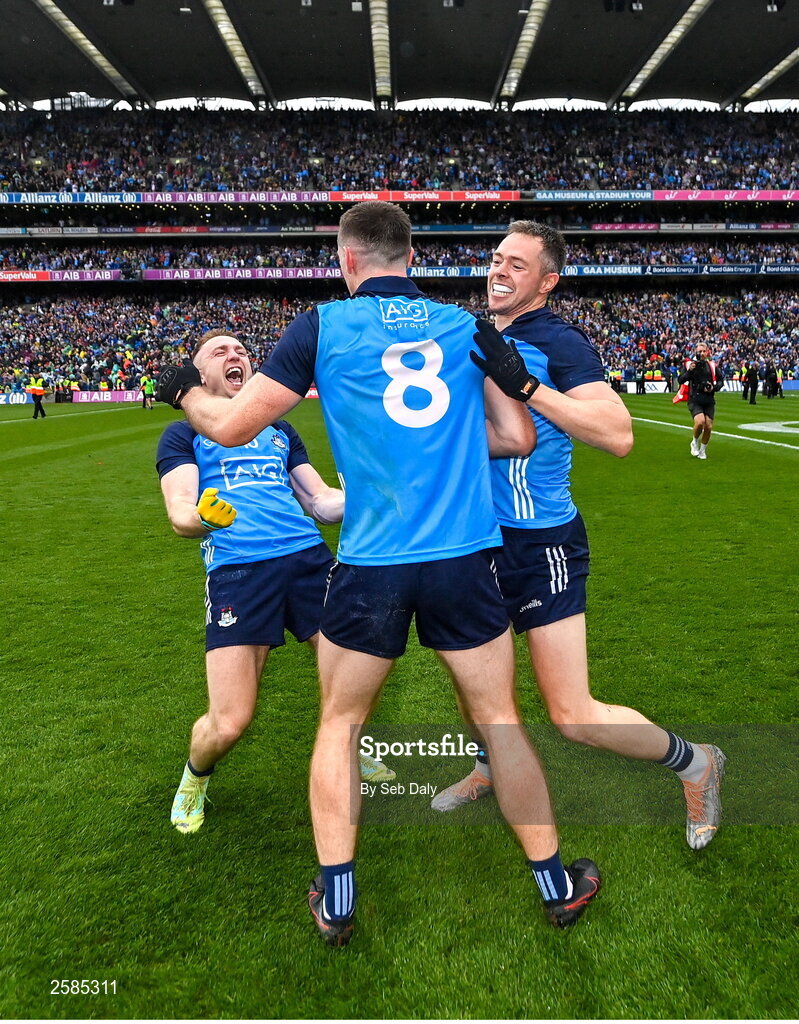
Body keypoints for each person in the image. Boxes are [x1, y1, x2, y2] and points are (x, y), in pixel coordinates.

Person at [156, 202, 602, 945]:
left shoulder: (321, 326)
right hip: (464, 558)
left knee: (339, 723)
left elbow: (231, 425)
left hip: (371, 563)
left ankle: (336, 900)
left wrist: (183, 392)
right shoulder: (465, 328)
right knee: (500, 722)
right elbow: (519, 435)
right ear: (410, 257)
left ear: (348, 260)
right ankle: (555, 885)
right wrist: (448, 453)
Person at [431, 221, 726, 852]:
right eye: (496, 258)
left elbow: (617, 435)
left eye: (518, 264)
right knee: (474, 685)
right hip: (472, 542)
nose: (500, 270)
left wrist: (529, 387)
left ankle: (695, 762)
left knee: (572, 715)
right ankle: (487, 768)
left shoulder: (559, 342)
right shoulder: (468, 334)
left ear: (547, 280)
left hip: (541, 544)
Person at [156, 328, 394, 836]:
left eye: (241, 349)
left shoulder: (280, 430)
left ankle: (355, 752)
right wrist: (206, 518)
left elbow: (320, 503)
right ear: (199, 375)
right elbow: (180, 514)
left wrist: (361, 499)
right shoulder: (183, 436)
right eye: (220, 351)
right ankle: (195, 777)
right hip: (240, 572)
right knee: (230, 721)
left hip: (309, 562)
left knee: (357, 671)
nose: (235, 355)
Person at [677, 343, 724, 460]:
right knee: (700, 422)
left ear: (707, 352)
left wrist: (714, 387)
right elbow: (681, 380)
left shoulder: (712, 366)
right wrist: (689, 371)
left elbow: (720, 381)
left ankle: (703, 450)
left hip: (709, 399)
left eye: (704, 351)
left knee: (708, 426)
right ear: (696, 352)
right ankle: (694, 442)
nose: (702, 353)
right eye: (700, 351)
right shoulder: (689, 365)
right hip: (695, 399)